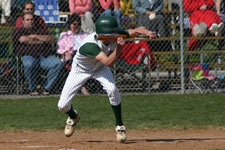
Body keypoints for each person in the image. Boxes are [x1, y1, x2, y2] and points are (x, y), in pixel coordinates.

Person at [57, 16, 156, 142]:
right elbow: (109, 62)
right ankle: (74, 116)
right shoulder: (89, 45)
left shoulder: (112, 35)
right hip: (81, 69)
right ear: (104, 33)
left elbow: (134, 31)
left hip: (99, 67)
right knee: (62, 105)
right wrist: (119, 48)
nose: (116, 33)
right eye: (113, 32)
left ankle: (119, 126)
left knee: (112, 89)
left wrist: (148, 33)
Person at [12, 13, 63, 96]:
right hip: (28, 55)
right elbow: (23, 39)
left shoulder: (40, 29)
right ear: (23, 22)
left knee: (58, 63)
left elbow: (50, 39)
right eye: (27, 20)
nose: (30, 22)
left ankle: (45, 87)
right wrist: (41, 40)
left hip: (44, 56)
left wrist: (34, 36)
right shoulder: (18, 31)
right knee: (29, 64)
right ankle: (32, 88)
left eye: (31, 20)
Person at [57, 14, 90, 95]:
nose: (76, 26)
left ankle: (80, 87)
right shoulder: (64, 35)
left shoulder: (86, 35)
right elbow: (59, 48)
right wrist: (65, 52)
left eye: (78, 24)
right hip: (69, 57)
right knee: (74, 58)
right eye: (74, 24)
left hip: (83, 56)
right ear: (70, 25)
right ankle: (82, 87)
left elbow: (90, 47)